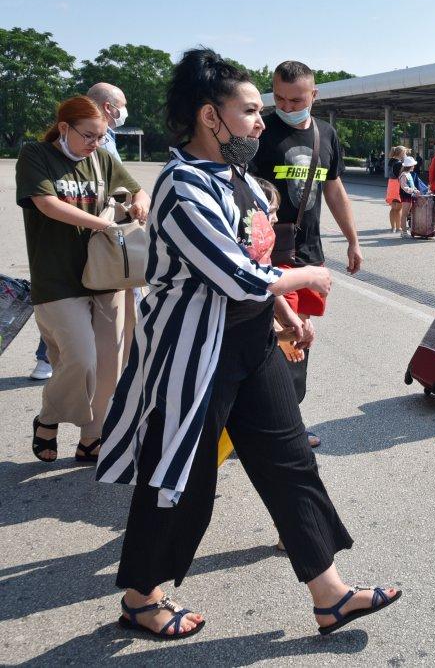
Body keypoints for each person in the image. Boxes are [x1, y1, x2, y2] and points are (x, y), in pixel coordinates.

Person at [97, 48, 398, 640]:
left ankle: (330, 594)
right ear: (213, 117)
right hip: (194, 354)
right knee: (180, 476)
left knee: (290, 460)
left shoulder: (240, 181)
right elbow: (236, 275)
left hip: (252, 343)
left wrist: (285, 313)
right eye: (252, 110)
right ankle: (140, 596)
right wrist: (307, 280)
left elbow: (255, 261)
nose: (262, 122)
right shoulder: (181, 188)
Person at [17, 95, 148, 464]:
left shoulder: (103, 158)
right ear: (64, 128)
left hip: (108, 275)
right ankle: (48, 418)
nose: (95, 144)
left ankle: (92, 437)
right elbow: (47, 204)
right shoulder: (36, 156)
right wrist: (104, 224)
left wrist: (140, 202)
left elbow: (137, 188)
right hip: (57, 278)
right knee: (81, 359)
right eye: (89, 136)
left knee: (110, 363)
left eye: (101, 137)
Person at [251, 60, 362, 448]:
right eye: (278, 97)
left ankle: (281, 418)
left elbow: (333, 189)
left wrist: (352, 239)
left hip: (310, 252)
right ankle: (280, 426)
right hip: (271, 253)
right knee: (283, 335)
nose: (285, 105)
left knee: (300, 338)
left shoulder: (326, 134)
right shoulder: (259, 132)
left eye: (295, 98)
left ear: (315, 94)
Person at [385, 145, 407, 233]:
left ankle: (392, 227)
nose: (405, 154)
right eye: (404, 152)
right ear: (401, 153)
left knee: (393, 208)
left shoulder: (391, 161)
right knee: (399, 208)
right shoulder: (399, 164)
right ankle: (398, 227)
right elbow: (402, 175)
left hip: (391, 185)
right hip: (397, 185)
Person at [397, 155, 420, 237]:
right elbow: (404, 187)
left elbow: (411, 185)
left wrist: (415, 190)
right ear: (410, 166)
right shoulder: (404, 174)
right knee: (405, 214)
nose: (414, 166)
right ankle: (403, 232)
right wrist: (413, 190)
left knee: (407, 213)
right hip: (406, 196)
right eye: (413, 165)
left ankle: (406, 230)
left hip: (409, 195)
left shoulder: (408, 174)